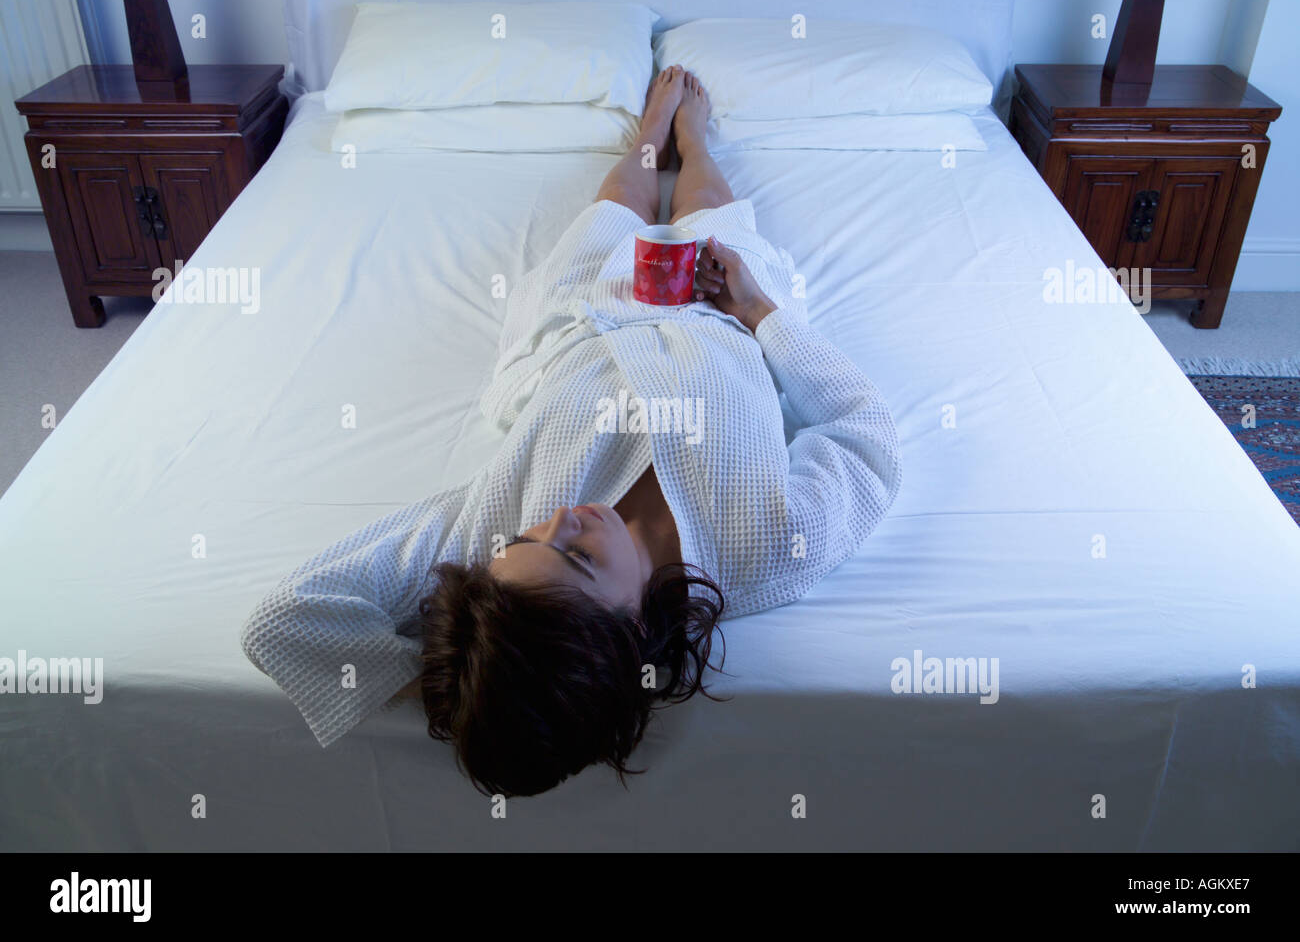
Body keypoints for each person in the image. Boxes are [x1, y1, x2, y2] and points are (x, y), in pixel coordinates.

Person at [241, 67, 902, 798]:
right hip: (725, 311)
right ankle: (695, 140)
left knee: (616, 205)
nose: (560, 521)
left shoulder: (494, 547)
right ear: (627, 633)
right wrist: (759, 312)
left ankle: (653, 136)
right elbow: (862, 432)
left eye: (534, 539)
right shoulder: (769, 547)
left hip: (583, 315)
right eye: (579, 557)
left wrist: (469, 674)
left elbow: (285, 621)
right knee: (708, 208)